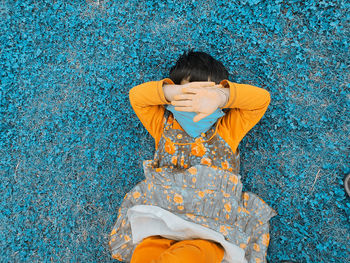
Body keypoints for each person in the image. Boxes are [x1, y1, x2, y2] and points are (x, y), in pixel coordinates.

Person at [108, 50, 277, 263]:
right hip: (163, 219)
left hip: (209, 228)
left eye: (204, 93)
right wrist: (172, 93)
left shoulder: (226, 129)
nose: (197, 101)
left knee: (185, 257)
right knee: (145, 254)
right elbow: (137, 97)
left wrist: (220, 96)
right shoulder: (163, 125)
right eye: (190, 92)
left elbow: (261, 99)